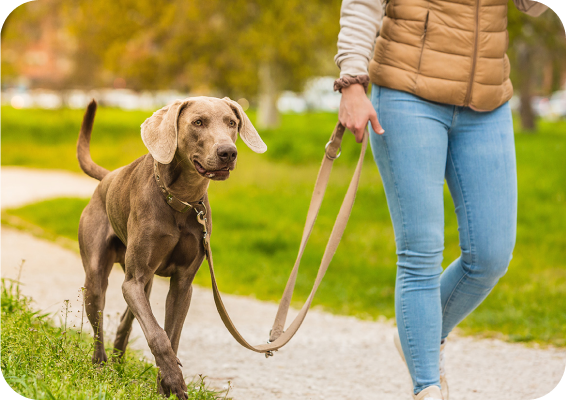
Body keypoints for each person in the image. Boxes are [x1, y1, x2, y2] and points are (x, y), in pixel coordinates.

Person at [333, 1, 549, 399]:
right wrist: (352, 82)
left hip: (487, 100)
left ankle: (419, 337)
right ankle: (427, 386)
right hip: (406, 93)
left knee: (490, 255)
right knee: (420, 253)